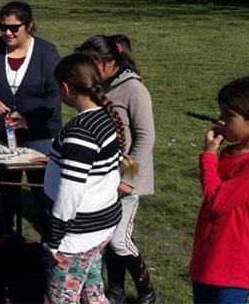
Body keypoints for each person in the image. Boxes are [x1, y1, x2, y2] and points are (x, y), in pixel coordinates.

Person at [0, 0, 62, 234]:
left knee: (42, 188)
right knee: (8, 187)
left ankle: (50, 243)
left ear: (28, 26)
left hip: (39, 134)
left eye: (13, 28)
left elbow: (56, 93)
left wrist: (30, 118)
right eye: (2, 27)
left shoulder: (46, 52)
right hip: (3, 134)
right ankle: (6, 239)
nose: (7, 33)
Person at [43, 53, 131, 304]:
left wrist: (54, 240)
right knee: (92, 291)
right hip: (100, 227)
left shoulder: (80, 132)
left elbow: (70, 193)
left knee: (61, 297)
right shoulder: (104, 117)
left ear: (66, 88)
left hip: (76, 236)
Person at [76, 35, 157, 304]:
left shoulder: (134, 89)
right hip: (103, 178)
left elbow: (146, 137)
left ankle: (146, 291)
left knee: (119, 241)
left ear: (111, 62)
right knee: (106, 238)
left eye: (93, 63)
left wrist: (129, 180)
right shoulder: (100, 87)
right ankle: (116, 290)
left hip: (128, 179)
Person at [190, 76, 249, 304]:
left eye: (228, 116)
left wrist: (209, 157)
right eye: (220, 112)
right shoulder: (230, 153)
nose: (220, 120)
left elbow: (216, 201)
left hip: (234, 277)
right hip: (208, 266)